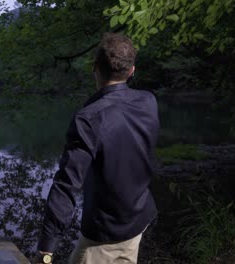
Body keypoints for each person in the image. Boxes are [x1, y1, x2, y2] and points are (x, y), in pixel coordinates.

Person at [34, 33, 159, 264]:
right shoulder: (148, 101)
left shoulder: (88, 119)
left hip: (104, 236)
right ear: (132, 71)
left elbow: (66, 186)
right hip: (139, 218)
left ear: (95, 68)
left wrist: (46, 250)